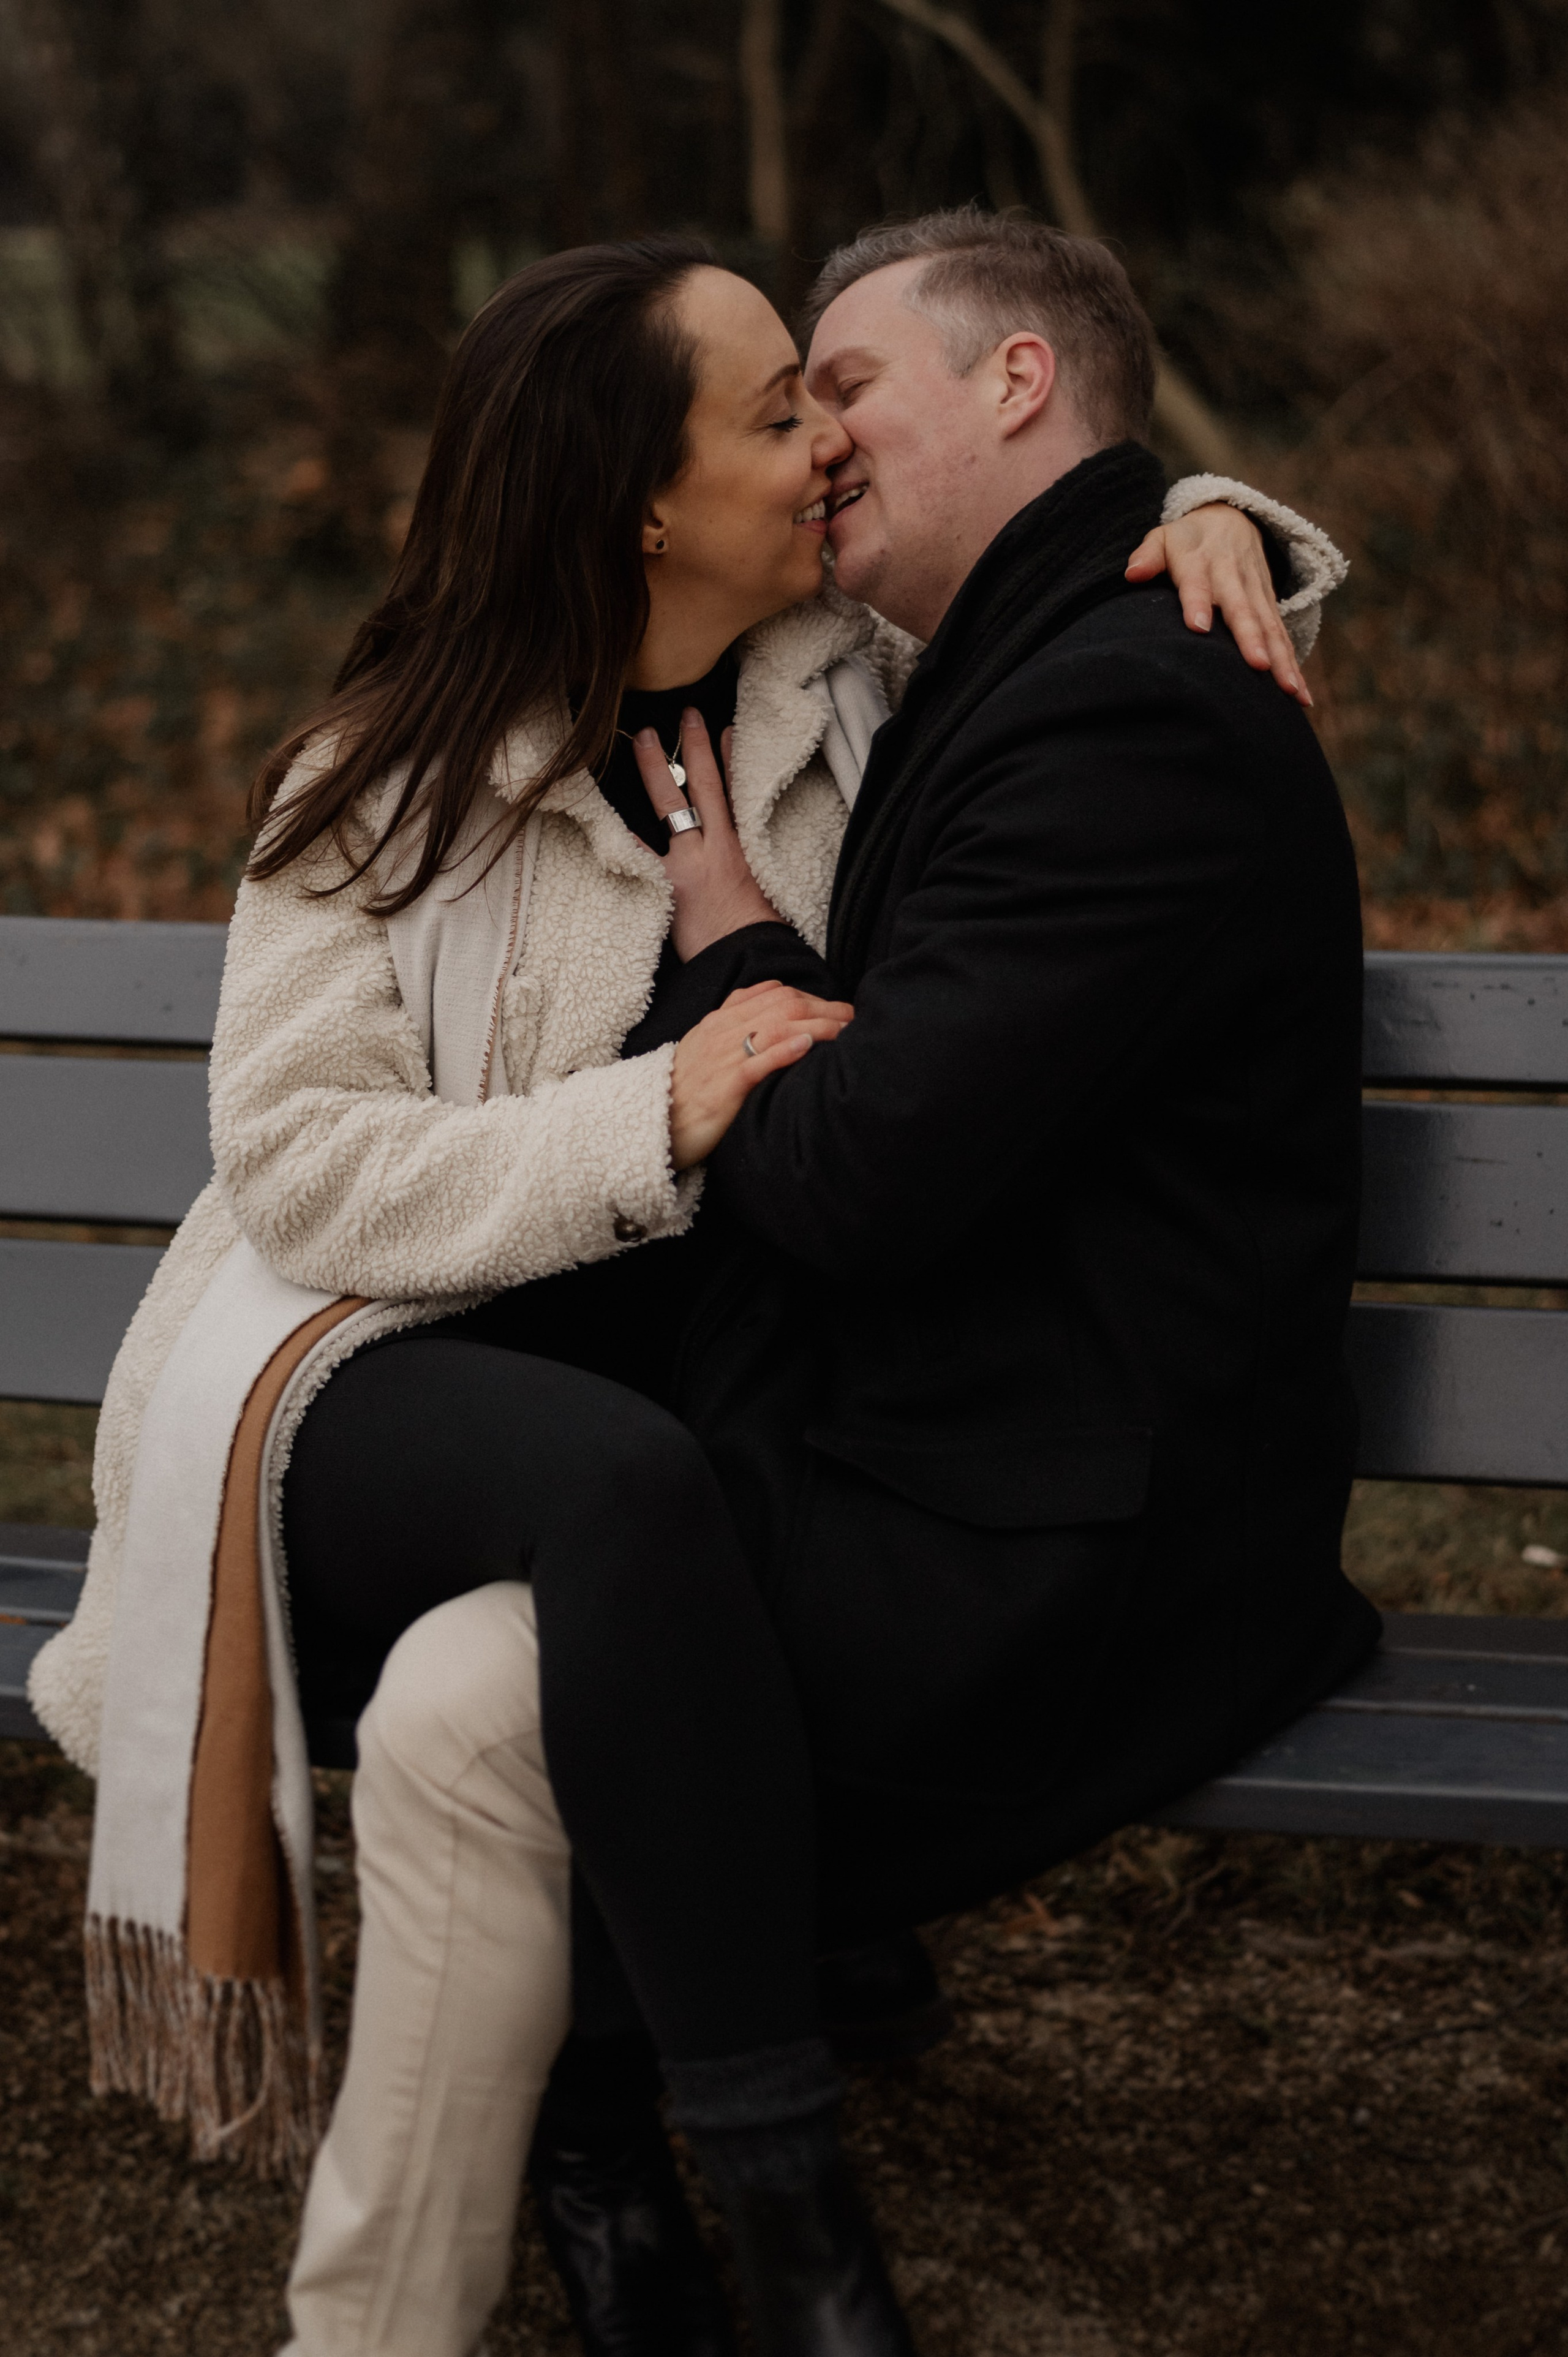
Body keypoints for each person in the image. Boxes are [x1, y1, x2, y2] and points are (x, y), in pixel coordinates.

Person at [25, 226, 1346, 2357]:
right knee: (617, 1496)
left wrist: (1219, 522)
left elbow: (1053, 593)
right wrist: (659, 1117)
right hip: (361, 1377)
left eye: (832, 400)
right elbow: (299, 1166)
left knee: (493, 1695)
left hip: (676, 1449)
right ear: (647, 495)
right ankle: (792, 2203)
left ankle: (538, 2207)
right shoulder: (386, 770)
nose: (822, 438)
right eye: (775, 411)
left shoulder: (837, 706)